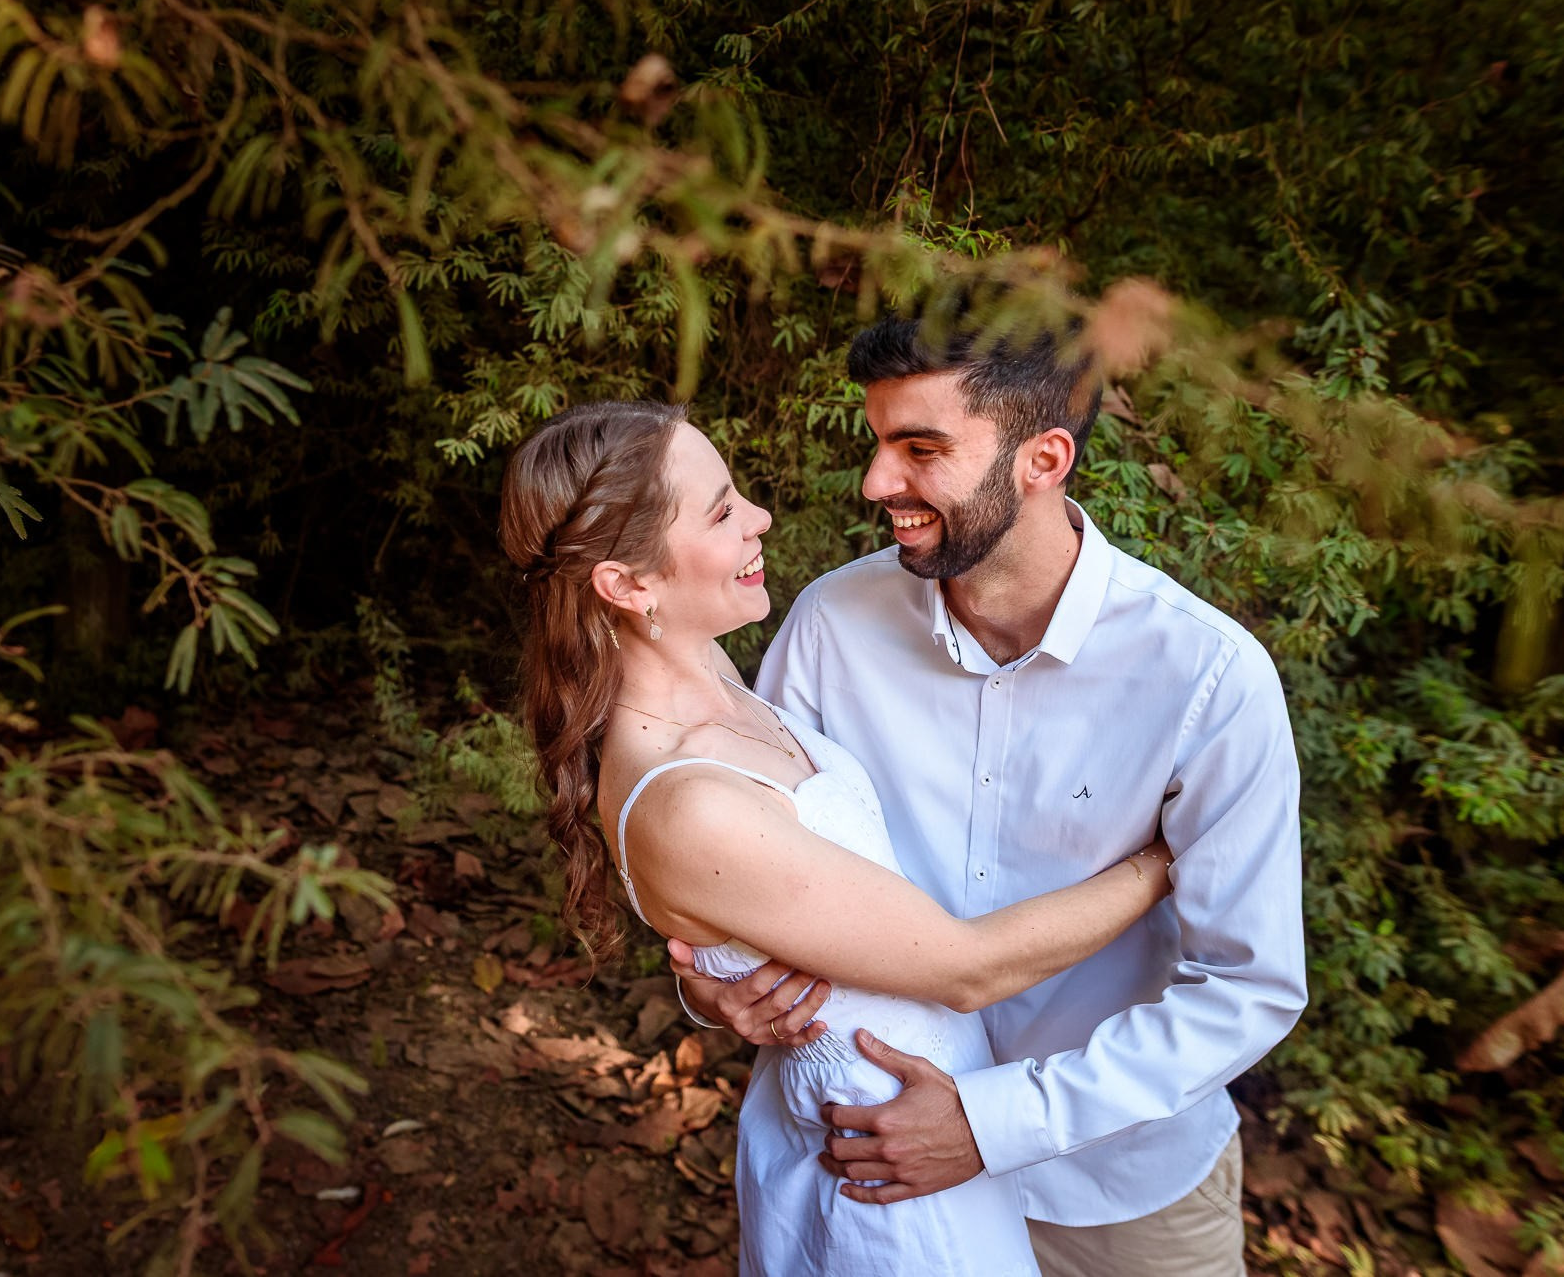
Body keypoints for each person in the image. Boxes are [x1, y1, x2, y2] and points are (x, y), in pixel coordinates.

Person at [674, 317, 1307, 1277]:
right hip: (867, 1164)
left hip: (1122, 1191)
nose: (877, 483)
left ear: (1043, 458)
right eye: (879, 442)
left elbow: (1247, 986)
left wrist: (990, 1122)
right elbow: (747, 866)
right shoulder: (832, 625)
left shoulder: (1208, 678)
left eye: (921, 449)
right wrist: (716, 994)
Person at [500, 398, 1180, 1276]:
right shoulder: (686, 797)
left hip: (922, 1123)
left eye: (736, 492)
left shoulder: (706, 669)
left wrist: (712, 983)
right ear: (627, 586)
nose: (760, 518)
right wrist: (1162, 857)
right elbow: (966, 966)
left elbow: (747, 912)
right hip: (882, 1171)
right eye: (720, 512)